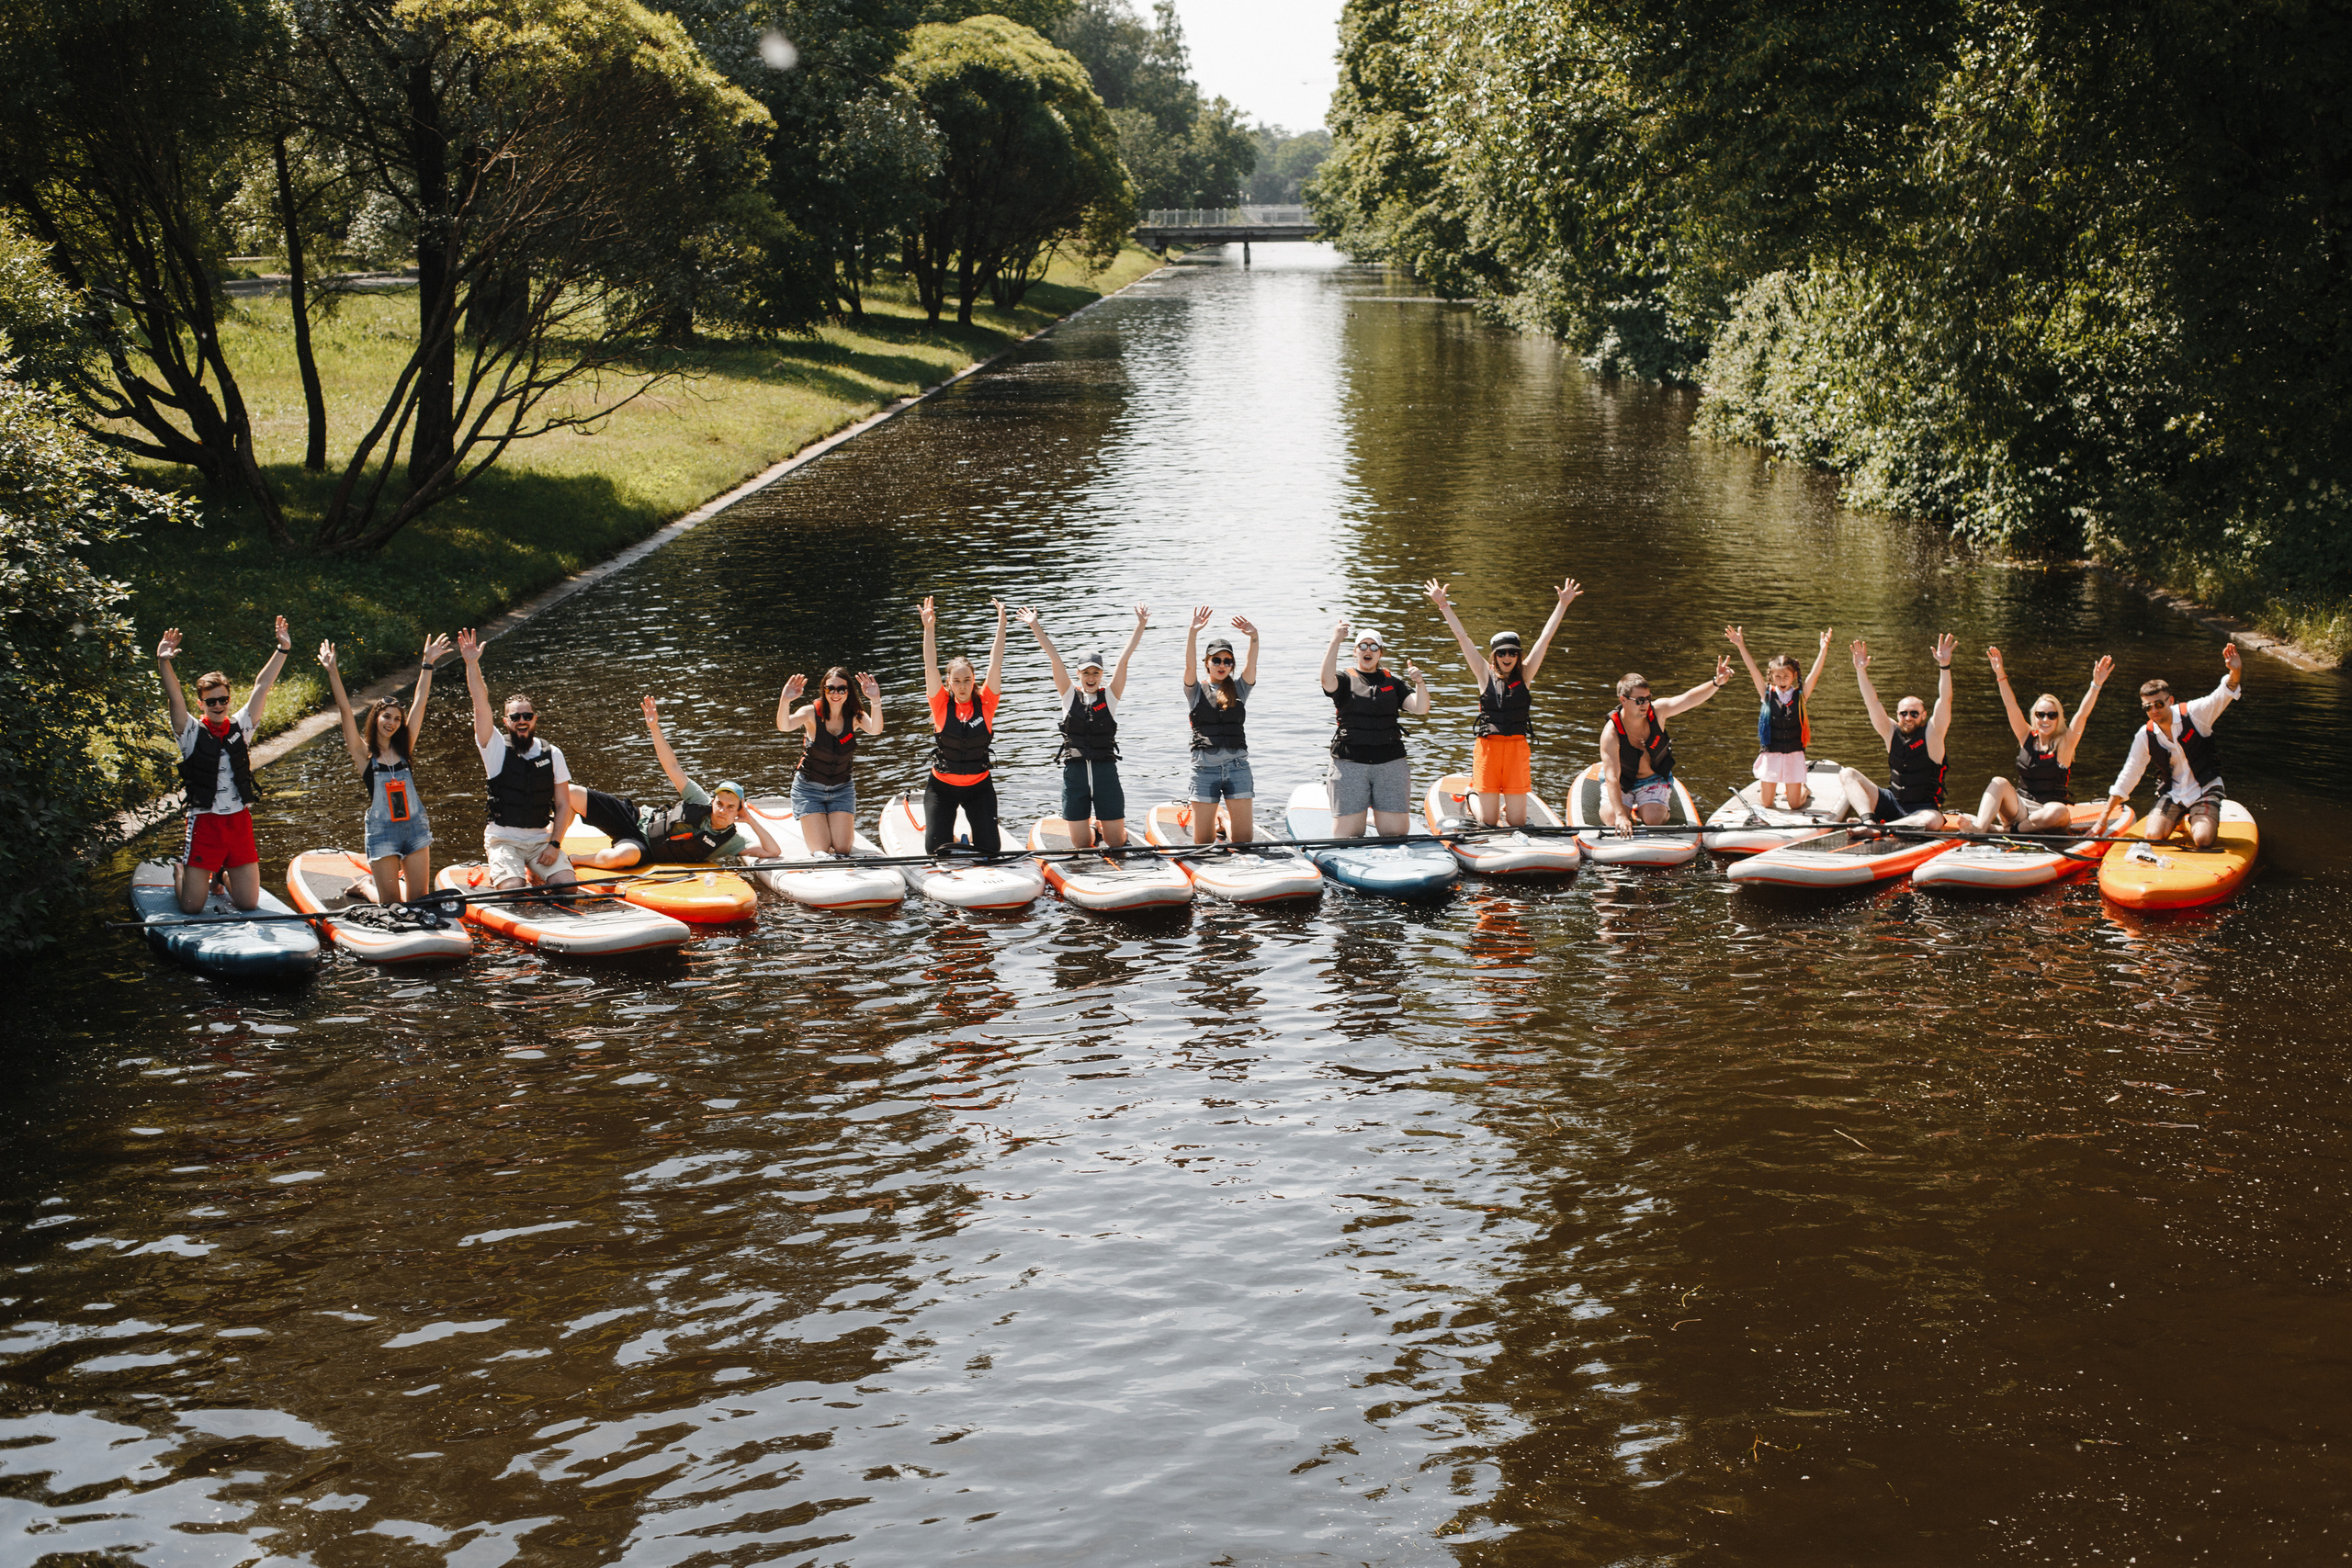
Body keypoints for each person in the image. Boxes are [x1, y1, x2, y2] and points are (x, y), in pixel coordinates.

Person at [155, 616, 291, 913]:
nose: (218, 706)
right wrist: (164, 662)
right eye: (211, 701)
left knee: (248, 903)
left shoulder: (241, 727)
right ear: (201, 703)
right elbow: (174, 697)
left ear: (229, 700)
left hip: (238, 823)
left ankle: (222, 873)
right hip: (205, 823)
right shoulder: (190, 732)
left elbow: (262, 685)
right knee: (191, 907)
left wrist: (283, 649)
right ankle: (183, 872)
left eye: (223, 700)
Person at [1422, 576, 1583, 826]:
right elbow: (1462, 638)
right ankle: (1472, 795)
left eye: (1512, 653)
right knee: (1489, 820)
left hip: (1517, 750)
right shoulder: (1483, 672)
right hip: (1488, 750)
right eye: (1502, 653)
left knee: (1518, 822)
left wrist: (1563, 604)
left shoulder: (1526, 674)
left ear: (1519, 656)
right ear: (1494, 656)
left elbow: (1545, 638)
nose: (1507, 657)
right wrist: (1444, 605)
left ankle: (1506, 802)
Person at [567, 697, 781, 869]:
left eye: (730, 807)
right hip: (634, 818)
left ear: (738, 812)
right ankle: (550, 843)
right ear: (713, 801)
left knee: (621, 856)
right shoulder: (699, 799)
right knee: (570, 793)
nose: (722, 810)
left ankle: (574, 859)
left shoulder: (732, 842)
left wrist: (751, 820)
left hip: (643, 849)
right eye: (719, 803)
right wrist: (654, 726)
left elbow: (773, 852)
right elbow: (672, 766)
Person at [318, 633, 453, 903]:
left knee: (418, 900)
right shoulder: (364, 755)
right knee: (390, 904)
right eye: (386, 717)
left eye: (396, 719)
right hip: (383, 833)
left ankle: (383, 884)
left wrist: (427, 663)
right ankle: (366, 886)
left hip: (414, 828)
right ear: (376, 718)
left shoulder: (405, 749)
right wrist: (332, 671)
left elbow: (420, 703)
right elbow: (345, 710)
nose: (391, 723)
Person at [1016, 604, 1148, 850]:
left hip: (1104, 772)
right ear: (1078, 674)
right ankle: (1090, 827)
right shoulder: (1068, 695)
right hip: (1075, 774)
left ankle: (1106, 828)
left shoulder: (1110, 696)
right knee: (1081, 844)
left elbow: (1124, 658)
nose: (1091, 677)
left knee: (1116, 842)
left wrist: (1140, 625)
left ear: (1101, 675)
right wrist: (1035, 625)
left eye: (1095, 673)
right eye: (1086, 672)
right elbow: (1054, 657)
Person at [458, 627, 578, 891]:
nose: (521, 721)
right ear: (506, 722)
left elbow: (562, 805)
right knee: (514, 890)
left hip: (540, 842)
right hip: (503, 841)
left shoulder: (552, 753)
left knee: (568, 888)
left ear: (535, 718)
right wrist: (472, 664)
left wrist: (554, 844)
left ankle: (539, 873)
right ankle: (507, 875)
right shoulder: (495, 748)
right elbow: (480, 704)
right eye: (515, 717)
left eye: (526, 716)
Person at [2092, 642, 2245, 849]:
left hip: (2205, 788)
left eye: (2159, 704)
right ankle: (2179, 817)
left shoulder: (2195, 714)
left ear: (2170, 700)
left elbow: (2225, 692)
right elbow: (2128, 776)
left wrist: (2235, 670)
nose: (2154, 710)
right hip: (2174, 793)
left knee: (2202, 839)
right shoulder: (2144, 735)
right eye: (2148, 706)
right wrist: (2102, 819)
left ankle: (2200, 817)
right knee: (2153, 836)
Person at [1972, 647, 2116, 832]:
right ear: (2034, 717)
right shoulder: (2026, 736)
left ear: (2058, 718)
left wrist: (2096, 685)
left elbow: (2082, 715)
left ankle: (2005, 832)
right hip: (2021, 809)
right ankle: (1980, 829)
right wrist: (2000, 673)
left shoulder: (2065, 743)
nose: (2045, 720)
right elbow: (2010, 706)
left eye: (2051, 715)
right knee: (1998, 782)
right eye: (2040, 715)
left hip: (2048, 814)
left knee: (2059, 811)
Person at [1317, 621, 1432, 839]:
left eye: (1373, 647)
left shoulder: (1394, 682)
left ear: (1380, 653)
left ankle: (1375, 816)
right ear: (1355, 652)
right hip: (1350, 762)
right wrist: (1335, 640)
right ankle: (1359, 817)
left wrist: (1419, 683)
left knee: (1396, 833)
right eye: (1362, 646)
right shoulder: (1343, 680)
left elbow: (1421, 707)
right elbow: (1325, 679)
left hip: (1389, 761)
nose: (1367, 650)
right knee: (1348, 835)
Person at [921, 594, 1009, 855]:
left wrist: (1001, 622)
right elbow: (929, 666)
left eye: (967, 680)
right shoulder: (939, 704)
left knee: (990, 851)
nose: (962, 686)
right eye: (956, 681)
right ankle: (953, 837)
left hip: (979, 789)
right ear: (949, 682)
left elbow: (996, 661)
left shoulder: (987, 703)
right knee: (936, 851)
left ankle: (974, 834)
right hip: (942, 789)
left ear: (974, 680)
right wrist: (929, 628)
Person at [1598, 659, 1734, 828]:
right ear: (1623, 700)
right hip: (1622, 781)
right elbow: (1612, 777)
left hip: (1652, 778)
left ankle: (1649, 807)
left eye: (1648, 698)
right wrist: (1619, 815)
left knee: (1654, 820)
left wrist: (1716, 683)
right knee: (1611, 819)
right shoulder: (1611, 733)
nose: (1646, 704)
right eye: (1640, 700)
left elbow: (1688, 700)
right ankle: (1626, 810)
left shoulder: (1658, 711)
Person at [1838, 635, 1958, 821]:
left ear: (1924, 716)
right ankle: (1868, 821)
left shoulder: (1933, 734)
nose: (1908, 717)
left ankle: (1883, 827)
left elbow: (1945, 700)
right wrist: (1860, 670)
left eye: (1914, 713)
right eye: (1903, 713)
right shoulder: (1890, 732)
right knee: (1847, 774)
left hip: (1923, 810)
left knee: (1932, 821)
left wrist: (1944, 666)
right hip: (1893, 804)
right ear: (1898, 715)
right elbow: (1872, 702)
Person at [1725, 625, 1834, 810]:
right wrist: (1740, 645)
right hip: (1772, 753)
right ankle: (1766, 789)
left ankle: (1804, 790)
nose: (1782, 680)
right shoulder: (1766, 694)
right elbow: (1753, 670)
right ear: (1772, 677)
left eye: (1786, 676)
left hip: (1793, 753)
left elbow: (1815, 674)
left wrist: (1823, 650)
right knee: (1767, 803)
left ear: (1793, 676)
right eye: (1778, 676)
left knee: (1794, 805)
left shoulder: (1800, 696)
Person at [777, 667, 884, 855]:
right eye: (830, 689)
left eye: (841, 689)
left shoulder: (855, 715)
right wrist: (785, 700)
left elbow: (875, 730)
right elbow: (785, 726)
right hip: (809, 789)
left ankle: (831, 826)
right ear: (824, 690)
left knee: (843, 848)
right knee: (821, 849)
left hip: (841, 789)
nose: (836, 694)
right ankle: (816, 824)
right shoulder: (810, 713)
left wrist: (875, 701)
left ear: (848, 691)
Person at [1181, 607, 1261, 843]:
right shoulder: (1195, 690)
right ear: (1207, 663)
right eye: (1216, 660)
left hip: (1237, 768)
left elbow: (1252, 666)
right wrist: (1192, 633)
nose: (1222, 665)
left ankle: (1224, 821)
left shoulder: (1240, 689)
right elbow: (1188, 667)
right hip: (1204, 770)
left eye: (1227, 661)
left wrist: (1254, 636)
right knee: (1203, 843)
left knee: (1244, 841)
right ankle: (1219, 819)